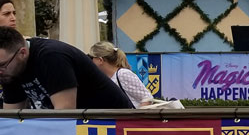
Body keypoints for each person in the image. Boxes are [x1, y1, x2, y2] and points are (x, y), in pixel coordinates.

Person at [0, 28, 132, 110]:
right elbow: (12, 119)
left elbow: (64, 114)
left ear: (22, 53)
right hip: (82, 123)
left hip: (111, 122)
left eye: (2, 65)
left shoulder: (51, 57)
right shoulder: (9, 71)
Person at [86, 41, 155, 108]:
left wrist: (136, 116)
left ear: (100, 60)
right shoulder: (103, 78)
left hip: (129, 118)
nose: (90, 61)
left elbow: (147, 98)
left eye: (91, 58)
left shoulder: (123, 74)